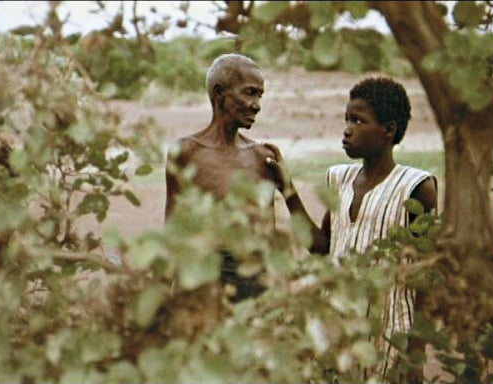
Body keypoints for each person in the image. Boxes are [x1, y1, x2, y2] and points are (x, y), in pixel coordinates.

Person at [265, 77, 438, 382]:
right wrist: (287, 188)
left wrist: (415, 355)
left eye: (358, 121)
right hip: (337, 330)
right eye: (346, 119)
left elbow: (425, 276)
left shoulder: (416, 187)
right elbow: (322, 247)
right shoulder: (339, 179)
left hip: (389, 334)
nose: (347, 129)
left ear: (388, 130)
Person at [164, 53, 279, 302]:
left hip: (252, 294)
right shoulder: (186, 153)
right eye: (249, 92)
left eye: (260, 95)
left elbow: (268, 240)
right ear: (219, 94)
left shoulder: (263, 157)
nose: (256, 104)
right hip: (201, 292)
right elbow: (174, 235)